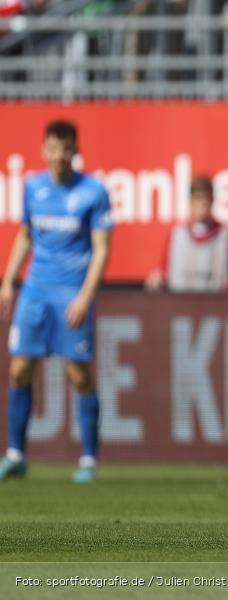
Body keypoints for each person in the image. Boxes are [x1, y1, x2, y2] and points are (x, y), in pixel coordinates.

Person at [0, 120, 113, 483]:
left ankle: (89, 460)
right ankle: (16, 454)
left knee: (78, 375)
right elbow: (25, 236)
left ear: (75, 151)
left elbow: (101, 250)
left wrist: (85, 296)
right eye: (53, 148)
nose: (60, 155)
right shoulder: (33, 187)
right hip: (35, 290)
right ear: (44, 150)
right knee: (19, 370)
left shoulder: (94, 191)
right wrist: (7, 282)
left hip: (71, 294)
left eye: (66, 149)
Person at [145, 176, 228, 292]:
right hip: (180, 307)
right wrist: (158, 279)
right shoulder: (177, 235)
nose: (201, 205)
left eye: (205, 200)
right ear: (190, 202)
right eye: (197, 199)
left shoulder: (226, 236)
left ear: (212, 201)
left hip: (215, 308)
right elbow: (164, 272)